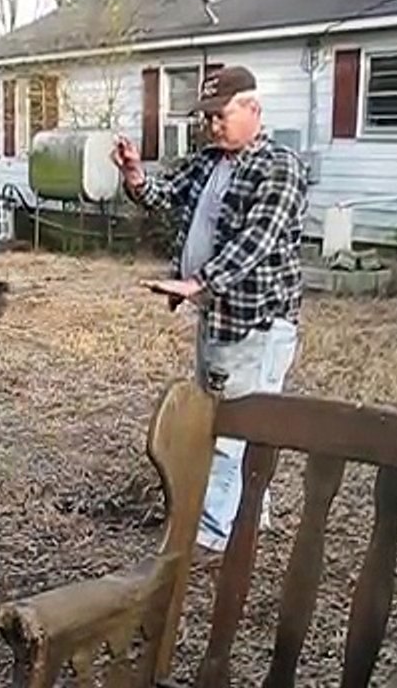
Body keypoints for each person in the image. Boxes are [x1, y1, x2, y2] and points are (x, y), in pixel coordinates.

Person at [112, 65, 308, 554]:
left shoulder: (279, 167)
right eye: (207, 118)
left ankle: (215, 538)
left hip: (255, 322)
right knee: (223, 419)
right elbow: (165, 196)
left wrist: (198, 280)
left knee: (233, 428)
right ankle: (248, 514)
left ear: (253, 110)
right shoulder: (209, 162)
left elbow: (256, 243)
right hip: (215, 315)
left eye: (221, 115)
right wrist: (135, 175)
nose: (212, 126)